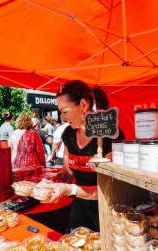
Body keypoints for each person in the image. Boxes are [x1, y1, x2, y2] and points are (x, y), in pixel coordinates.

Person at [39, 80, 125, 232]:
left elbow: (111, 187)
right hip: (80, 205)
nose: (62, 118)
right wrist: (51, 184)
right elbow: (67, 171)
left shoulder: (110, 136)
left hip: (107, 206)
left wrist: (68, 189)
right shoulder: (68, 133)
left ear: (84, 105)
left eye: (64, 111)